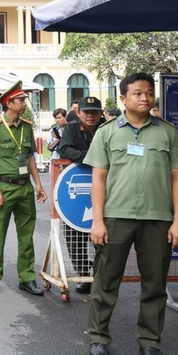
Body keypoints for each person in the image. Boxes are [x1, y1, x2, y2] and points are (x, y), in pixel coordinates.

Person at [83, 72, 178, 355]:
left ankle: (150, 340)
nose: (145, 98)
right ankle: (98, 337)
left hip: (157, 219)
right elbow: (99, 179)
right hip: (115, 217)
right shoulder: (106, 132)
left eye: (148, 93)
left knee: (155, 283)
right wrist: (98, 221)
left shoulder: (167, 132)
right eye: (138, 93)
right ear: (123, 99)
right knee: (106, 280)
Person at [0, 80, 48, 296]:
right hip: (5, 186)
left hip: (25, 188)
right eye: (21, 100)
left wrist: (38, 184)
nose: (24, 103)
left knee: (26, 235)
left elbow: (30, 156)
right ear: (9, 103)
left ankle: (27, 278)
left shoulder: (27, 126)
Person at [56, 95, 104, 295]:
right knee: (73, 234)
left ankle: (101, 276)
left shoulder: (107, 128)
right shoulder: (71, 128)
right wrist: (90, 159)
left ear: (101, 113)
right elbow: (64, 149)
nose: (91, 116)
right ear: (78, 113)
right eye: (87, 112)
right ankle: (84, 275)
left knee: (104, 235)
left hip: (106, 189)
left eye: (95, 112)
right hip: (77, 187)